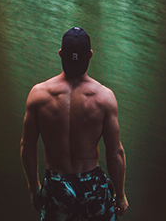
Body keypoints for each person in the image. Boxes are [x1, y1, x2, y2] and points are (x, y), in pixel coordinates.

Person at [21, 27, 128, 220]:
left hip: (56, 184)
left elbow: (27, 146)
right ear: (90, 55)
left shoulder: (38, 95)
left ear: (61, 54)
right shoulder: (104, 97)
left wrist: (34, 188)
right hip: (92, 184)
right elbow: (115, 152)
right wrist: (120, 196)